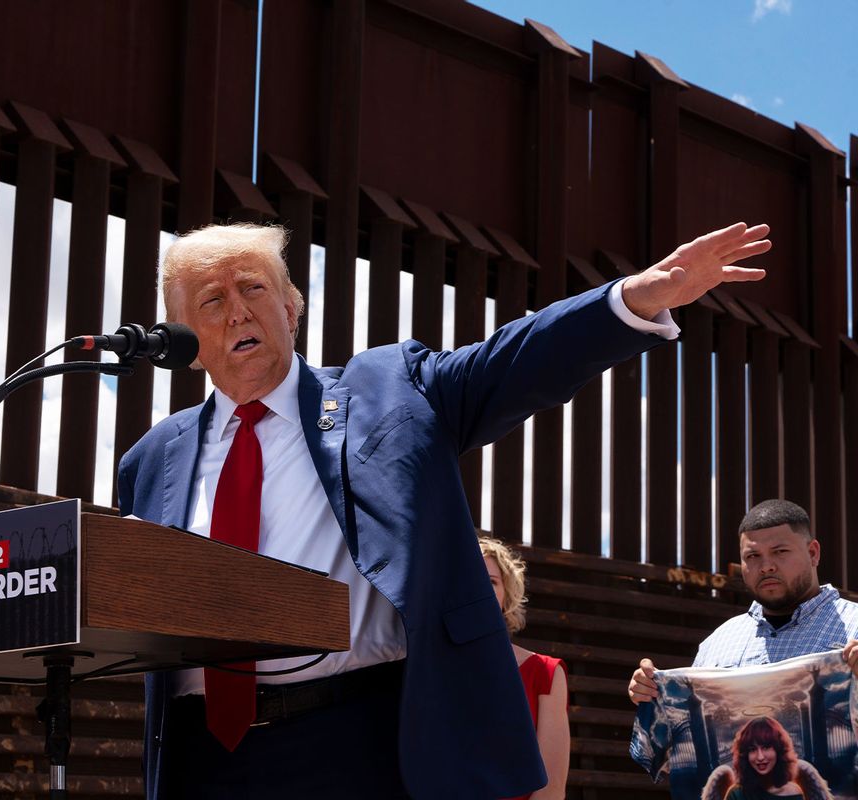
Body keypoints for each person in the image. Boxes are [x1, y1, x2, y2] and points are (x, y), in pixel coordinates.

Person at [118, 220, 770, 799]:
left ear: (293, 308)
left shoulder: (391, 391)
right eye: (212, 301)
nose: (238, 312)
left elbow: (513, 361)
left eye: (254, 289)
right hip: (200, 757)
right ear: (186, 342)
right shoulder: (151, 461)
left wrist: (636, 298)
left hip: (358, 739)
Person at [628, 499, 858, 707]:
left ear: (813, 553)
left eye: (780, 551)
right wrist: (652, 694)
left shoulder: (854, 626)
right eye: (753, 556)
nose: (766, 566)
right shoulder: (717, 644)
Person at [481, 536, 569, 800]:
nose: (481, 587)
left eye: (492, 581)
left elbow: (551, 791)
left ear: (506, 596)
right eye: (469, 577)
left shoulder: (546, 672)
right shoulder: (423, 668)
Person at [723, 717, 804, 799]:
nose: (760, 757)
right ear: (745, 755)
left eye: (766, 747)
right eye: (752, 749)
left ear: (779, 750)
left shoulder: (794, 793)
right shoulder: (736, 794)